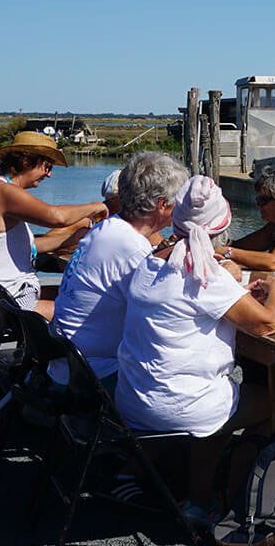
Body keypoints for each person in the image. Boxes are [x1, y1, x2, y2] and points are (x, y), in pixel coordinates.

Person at [115, 176, 275, 519]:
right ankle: (216, 498)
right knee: (272, 398)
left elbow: (196, 297)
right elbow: (267, 324)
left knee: (212, 396)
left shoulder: (148, 262)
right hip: (182, 407)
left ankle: (165, 475)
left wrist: (232, 282)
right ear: (220, 227)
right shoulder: (208, 277)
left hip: (131, 400)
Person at [51, 152, 189, 387]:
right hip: (96, 375)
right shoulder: (131, 247)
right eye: (179, 200)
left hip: (66, 363)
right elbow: (169, 312)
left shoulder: (107, 229)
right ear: (162, 205)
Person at [0, 131, 108, 330]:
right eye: (47, 166)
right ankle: (63, 360)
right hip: (1, 309)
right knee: (89, 308)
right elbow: (56, 217)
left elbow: (29, 247)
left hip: (1, 299)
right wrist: (95, 207)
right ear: (27, 160)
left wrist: (73, 237)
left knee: (79, 294)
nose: (49, 174)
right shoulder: (4, 192)